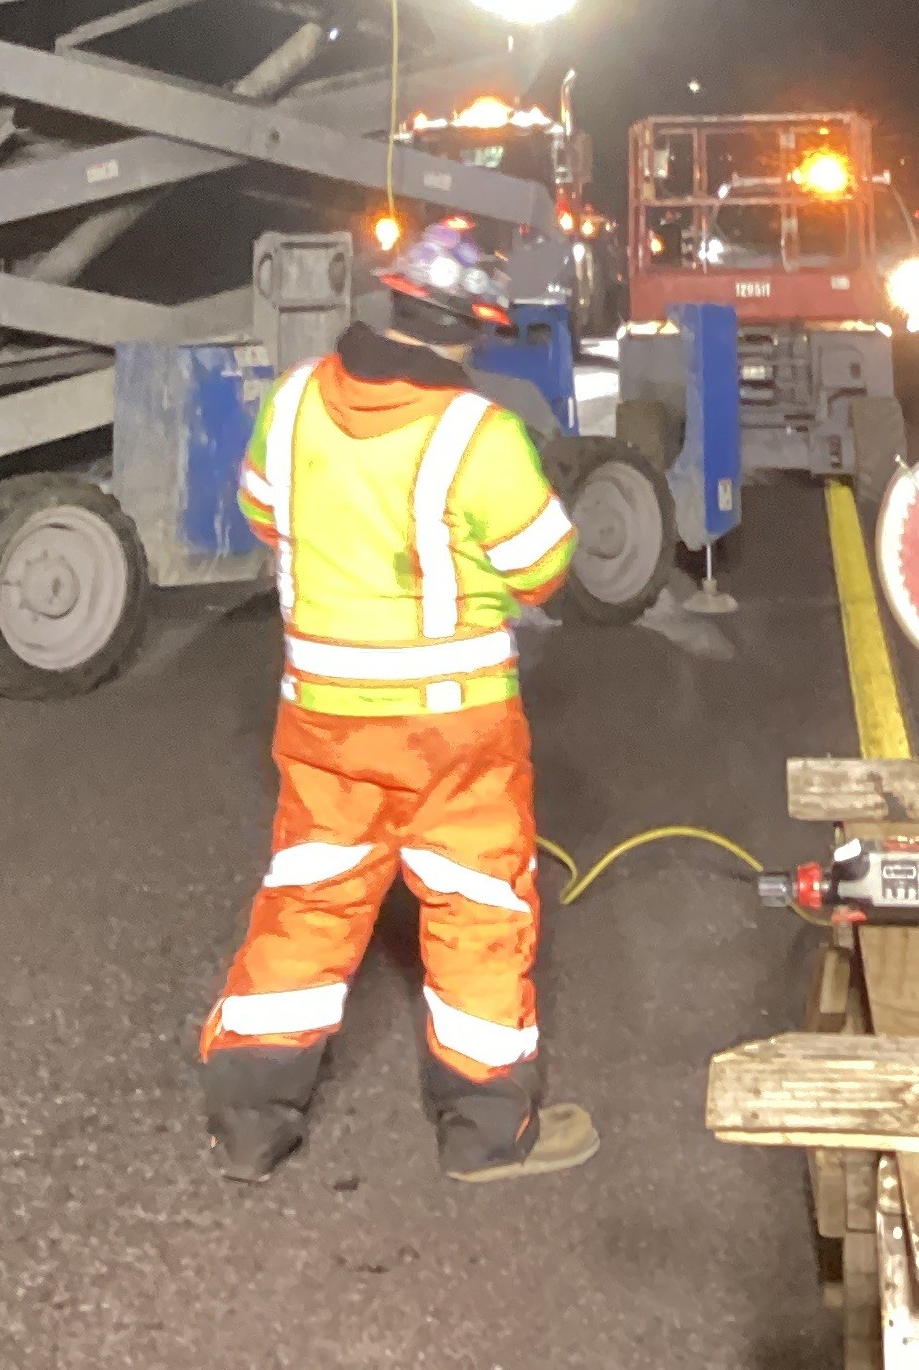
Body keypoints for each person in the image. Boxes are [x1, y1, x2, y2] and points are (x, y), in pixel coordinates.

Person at [199, 222, 600, 1186]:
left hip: (324, 717)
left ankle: (251, 1128)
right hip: (452, 730)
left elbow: (263, 511)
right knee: (475, 906)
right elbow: (546, 569)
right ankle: (486, 1132)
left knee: (310, 898)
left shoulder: (294, 402)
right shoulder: (480, 434)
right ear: (478, 327)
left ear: (394, 302)